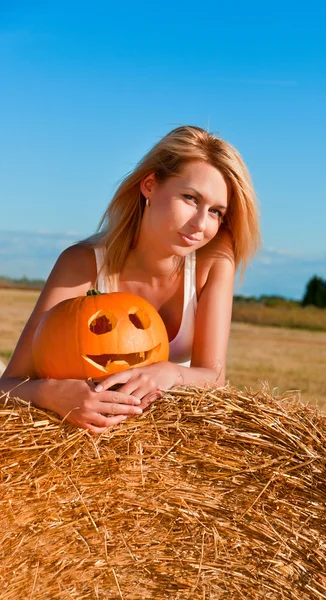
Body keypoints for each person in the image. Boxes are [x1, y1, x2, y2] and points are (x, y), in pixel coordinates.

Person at [1, 125, 261, 433]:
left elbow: (214, 378)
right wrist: (51, 394)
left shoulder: (214, 260)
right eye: (190, 198)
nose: (201, 225)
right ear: (150, 185)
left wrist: (168, 374)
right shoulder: (82, 263)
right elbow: (9, 385)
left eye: (217, 212)